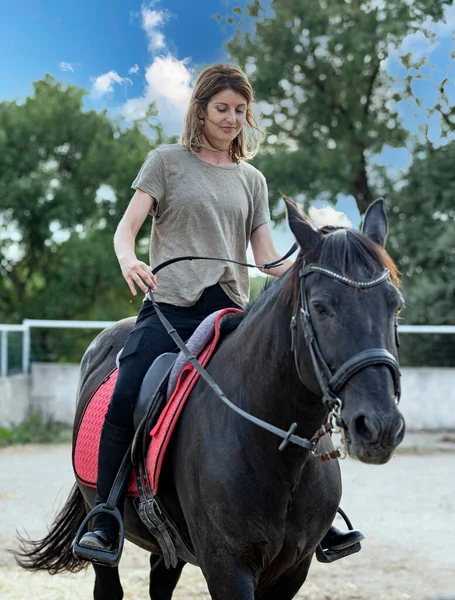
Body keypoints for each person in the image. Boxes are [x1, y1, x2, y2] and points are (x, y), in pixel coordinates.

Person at [77, 64, 363, 561]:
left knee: (299, 388)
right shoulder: (165, 162)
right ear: (201, 110)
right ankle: (104, 514)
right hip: (171, 308)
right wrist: (129, 259)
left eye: (240, 111)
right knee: (126, 392)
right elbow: (126, 229)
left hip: (233, 310)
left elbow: (267, 258)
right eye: (222, 109)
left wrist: (316, 259)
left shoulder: (252, 179)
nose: (232, 119)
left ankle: (320, 514)